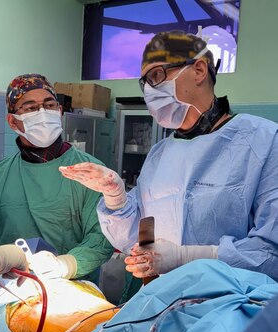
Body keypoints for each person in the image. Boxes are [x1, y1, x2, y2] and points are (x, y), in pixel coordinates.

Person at [59, 30, 278, 287]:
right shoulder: (160, 153)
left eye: (157, 75)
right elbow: (138, 239)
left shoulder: (264, 141)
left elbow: (269, 254)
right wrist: (116, 198)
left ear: (198, 70)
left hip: (234, 309)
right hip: (164, 299)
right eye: (145, 82)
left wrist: (184, 258)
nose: (150, 90)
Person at [0, 73, 113, 285]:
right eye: (31, 108)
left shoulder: (89, 172)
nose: (42, 112)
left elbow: (102, 237)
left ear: (59, 112)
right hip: (6, 291)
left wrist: (66, 264)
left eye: (49, 105)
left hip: (70, 289)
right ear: (13, 121)